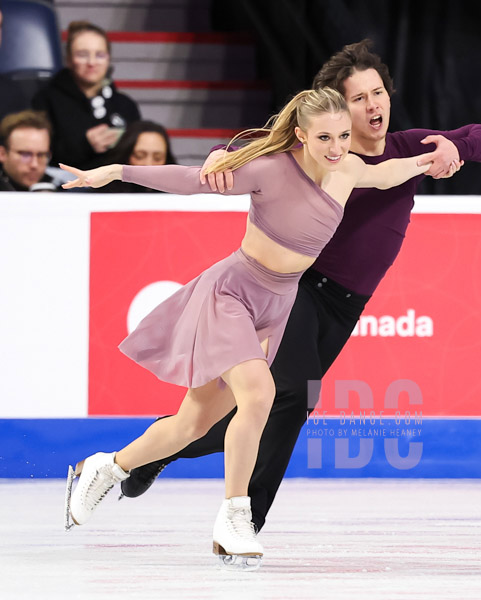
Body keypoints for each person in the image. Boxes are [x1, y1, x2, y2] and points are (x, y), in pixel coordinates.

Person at [121, 40, 481, 532]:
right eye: (359, 97)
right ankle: (244, 521)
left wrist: (457, 146)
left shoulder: (411, 148)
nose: (373, 105)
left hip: (348, 309)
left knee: (260, 410)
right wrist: (219, 155)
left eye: (378, 92)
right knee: (290, 400)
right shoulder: (310, 155)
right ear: (337, 109)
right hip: (300, 291)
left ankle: (156, 447)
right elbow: (241, 153)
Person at [60, 86, 434, 570]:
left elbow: (391, 172)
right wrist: (115, 171)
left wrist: (435, 157)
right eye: (325, 137)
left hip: (275, 306)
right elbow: (191, 179)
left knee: (193, 423)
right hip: (233, 294)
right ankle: (235, 515)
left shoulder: (350, 170)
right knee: (260, 394)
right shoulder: (271, 168)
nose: (338, 146)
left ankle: (106, 467)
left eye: (344, 135)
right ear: (300, 134)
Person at [32, 20, 140, 170]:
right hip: (65, 186)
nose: (92, 62)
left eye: (100, 55)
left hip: (117, 188)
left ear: (108, 59)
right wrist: (86, 146)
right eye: (82, 55)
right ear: (69, 59)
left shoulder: (126, 105)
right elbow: (37, 158)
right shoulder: (45, 100)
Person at [95, 120, 176, 193]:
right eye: (139, 156)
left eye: (157, 158)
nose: (149, 164)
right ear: (125, 155)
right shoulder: (102, 195)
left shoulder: (177, 194)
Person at [0, 110, 62, 192]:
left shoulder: (61, 190)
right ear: (2, 154)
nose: (34, 165)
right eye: (25, 155)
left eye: (41, 155)